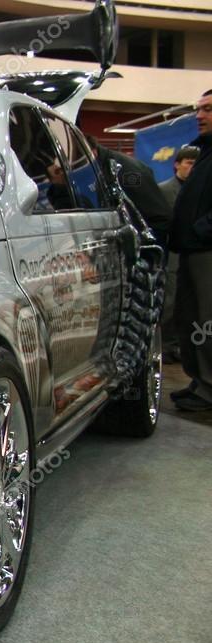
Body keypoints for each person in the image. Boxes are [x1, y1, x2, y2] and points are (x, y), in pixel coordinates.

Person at [168, 89, 212, 411]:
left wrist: (200, 232)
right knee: (192, 318)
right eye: (199, 109)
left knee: (206, 321)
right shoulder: (206, 152)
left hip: (206, 250)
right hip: (193, 250)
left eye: (208, 109)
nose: (199, 115)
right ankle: (201, 382)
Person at [158, 146, 200, 363]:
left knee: (190, 303)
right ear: (177, 164)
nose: (191, 168)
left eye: (195, 164)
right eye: (188, 163)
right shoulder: (164, 190)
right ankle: (165, 345)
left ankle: (180, 345)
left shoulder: (200, 190)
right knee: (170, 301)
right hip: (172, 252)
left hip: (194, 251)